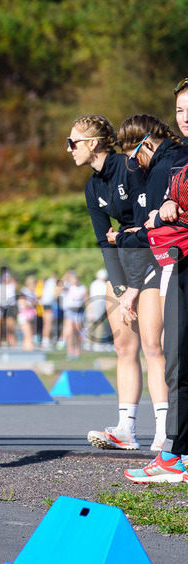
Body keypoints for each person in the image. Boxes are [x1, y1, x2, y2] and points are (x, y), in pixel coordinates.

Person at [69, 115, 152, 451]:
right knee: (123, 348)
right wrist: (120, 288)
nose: (69, 149)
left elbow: (147, 226)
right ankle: (126, 429)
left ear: (93, 144)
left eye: (72, 142)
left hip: (153, 259)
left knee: (158, 351)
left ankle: (166, 435)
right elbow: (105, 243)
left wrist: (134, 286)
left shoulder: (130, 168)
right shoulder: (92, 186)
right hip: (126, 265)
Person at [113, 114, 184, 451]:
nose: (132, 163)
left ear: (146, 143)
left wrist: (127, 239)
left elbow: (156, 233)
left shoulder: (162, 167)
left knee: (169, 352)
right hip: (165, 262)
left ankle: (169, 439)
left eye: (132, 155)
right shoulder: (170, 160)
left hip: (172, 264)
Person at [60, 270, 87, 360]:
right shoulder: (68, 287)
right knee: (69, 333)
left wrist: (90, 312)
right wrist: (66, 275)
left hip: (79, 312)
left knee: (77, 333)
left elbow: (87, 300)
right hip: (69, 312)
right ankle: (70, 352)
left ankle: (77, 352)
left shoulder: (82, 288)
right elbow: (60, 285)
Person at [86, 268, 111, 349]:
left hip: (95, 303)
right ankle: (96, 343)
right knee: (99, 324)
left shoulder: (94, 283)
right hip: (100, 303)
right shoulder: (103, 285)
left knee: (93, 323)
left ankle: (90, 342)